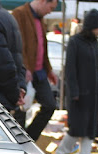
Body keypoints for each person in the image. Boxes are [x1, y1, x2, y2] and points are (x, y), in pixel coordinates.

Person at [54, 9, 98, 154]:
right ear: (92, 26)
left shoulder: (94, 42)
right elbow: (70, 69)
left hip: (94, 94)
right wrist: (74, 91)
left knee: (90, 130)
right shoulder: (75, 42)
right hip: (79, 94)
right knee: (76, 129)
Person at [12, 0, 59, 141]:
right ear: (43, 2)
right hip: (24, 70)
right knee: (20, 109)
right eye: (50, 7)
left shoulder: (40, 19)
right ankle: (19, 143)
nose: (50, 11)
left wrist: (49, 70)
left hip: (39, 72)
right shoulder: (19, 14)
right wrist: (23, 67)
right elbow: (17, 45)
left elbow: (42, 47)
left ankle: (29, 139)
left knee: (50, 105)